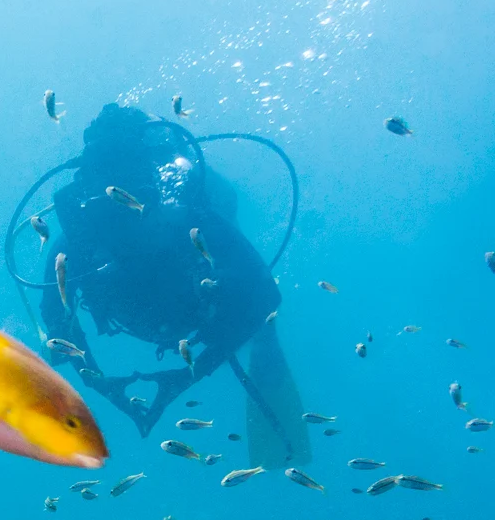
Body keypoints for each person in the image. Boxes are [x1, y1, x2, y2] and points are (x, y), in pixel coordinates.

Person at [28, 103, 309, 467]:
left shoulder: (187, 217)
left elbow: (265, 296)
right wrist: (100, 383)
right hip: (167, 320)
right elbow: (56, 322)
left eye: (126, 168)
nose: (118, 186)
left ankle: (261, 341)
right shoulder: (74, 243)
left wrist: (187, 375)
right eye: (106, 170)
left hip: (206, 315)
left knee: (259, 321)